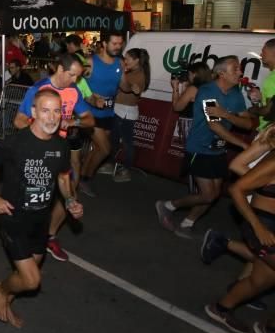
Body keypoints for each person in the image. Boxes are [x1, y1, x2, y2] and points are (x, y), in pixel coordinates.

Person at [0, 90, 83, 328]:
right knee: (32, 280)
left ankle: (7, 299)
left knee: (25, 276)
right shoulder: (17, 142)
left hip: (41, 221)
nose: (52, 117)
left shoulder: (61, 146)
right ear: (34, 112)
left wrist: (69, 201)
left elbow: (64, 179)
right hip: (14, 219)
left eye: (57, 111)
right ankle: (0, 291)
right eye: (45, 110)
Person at [156, 56, 257, 238]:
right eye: (235, 69)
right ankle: (168, 205)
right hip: (199, 148)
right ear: (221, 73)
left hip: (218, 150)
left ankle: (187, 223)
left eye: (240, 69)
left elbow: (248, 124)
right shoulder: (207, 91)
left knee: (215, 193)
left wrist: (226, 114)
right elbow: (214, 125)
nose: (240, 72)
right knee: (208, 194)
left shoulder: (235, 94)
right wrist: (242, 143)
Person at [14, 54, 95, 262]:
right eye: (72, 75)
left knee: (69, 193)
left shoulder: (73, 91)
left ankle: (49, 236)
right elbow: (19, 120)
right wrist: (42, 134)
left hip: (59, 151)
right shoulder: (38, 89)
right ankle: (24, 241)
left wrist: (73, 121)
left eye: (78, 76)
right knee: (37, 196)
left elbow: (89, 119)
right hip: (36, 151)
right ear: (60, 69)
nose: (75, 80)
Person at [204, 146, 275, 333]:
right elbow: (236, 189)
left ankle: (221, 309)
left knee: (261, 281)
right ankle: (271, 331)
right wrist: (258, 227)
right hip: (262, 226)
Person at [79, 32, 125, 197]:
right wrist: (91, 98)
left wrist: (132, 85)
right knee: (105, 149)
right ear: (104, 44)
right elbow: (77, 83)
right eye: (114, 43)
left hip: (108, 112)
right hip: (90, 113)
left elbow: (122, 84)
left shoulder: (120, 62)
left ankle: (80, 175)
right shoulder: (91, 62)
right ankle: (86, 179)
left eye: (120, 43)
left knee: (97, 148)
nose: (118, 47)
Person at [110, 48, 151, 182]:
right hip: (121, 110)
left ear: (136, 60)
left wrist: (122, 76)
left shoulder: (138, 75)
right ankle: (112, 165)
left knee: (126, 143)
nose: (125, 61)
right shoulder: (132, 72)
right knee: (115, 139)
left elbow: (128, 88)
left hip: (125, 112)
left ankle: (126, 170)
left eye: (127, 58)